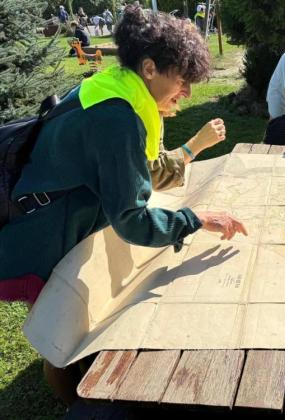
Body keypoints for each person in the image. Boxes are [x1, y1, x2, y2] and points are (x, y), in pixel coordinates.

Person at [0, 5, 246, 404]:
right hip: (42, 235)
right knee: (60, 331)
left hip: (47, 215)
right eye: (182, 80)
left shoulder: (112, 86)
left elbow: (135, 174)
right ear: (149, 68)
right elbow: (131, 220)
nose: (186, 93)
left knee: (69, 323)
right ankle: (76, 405)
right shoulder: (119, 120)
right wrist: (195, 218)